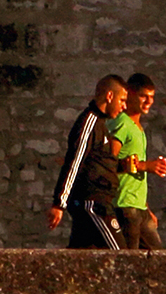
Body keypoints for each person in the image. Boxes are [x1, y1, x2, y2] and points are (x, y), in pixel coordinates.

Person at [44, 75, 127, 248]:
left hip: (100, 200)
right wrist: (59, 203)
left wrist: (122, 166)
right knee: (121, 257)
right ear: (109, 96)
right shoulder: (89, 123)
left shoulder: (102, 125)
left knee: (79, 261)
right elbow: (75, 161)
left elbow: (98, 163)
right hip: (93, 204)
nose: (124, 107)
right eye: (122, 100)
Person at [106, 73, 166, 250]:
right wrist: (146, 166)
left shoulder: (138, 128)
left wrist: (146, 208)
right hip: (124, 205)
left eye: (152, 97)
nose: (149, 101)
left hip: (138, 207)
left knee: (158, 257)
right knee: (130, 261)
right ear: (131, 95)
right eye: (144, 96)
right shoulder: (122, 123)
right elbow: (108, 162)